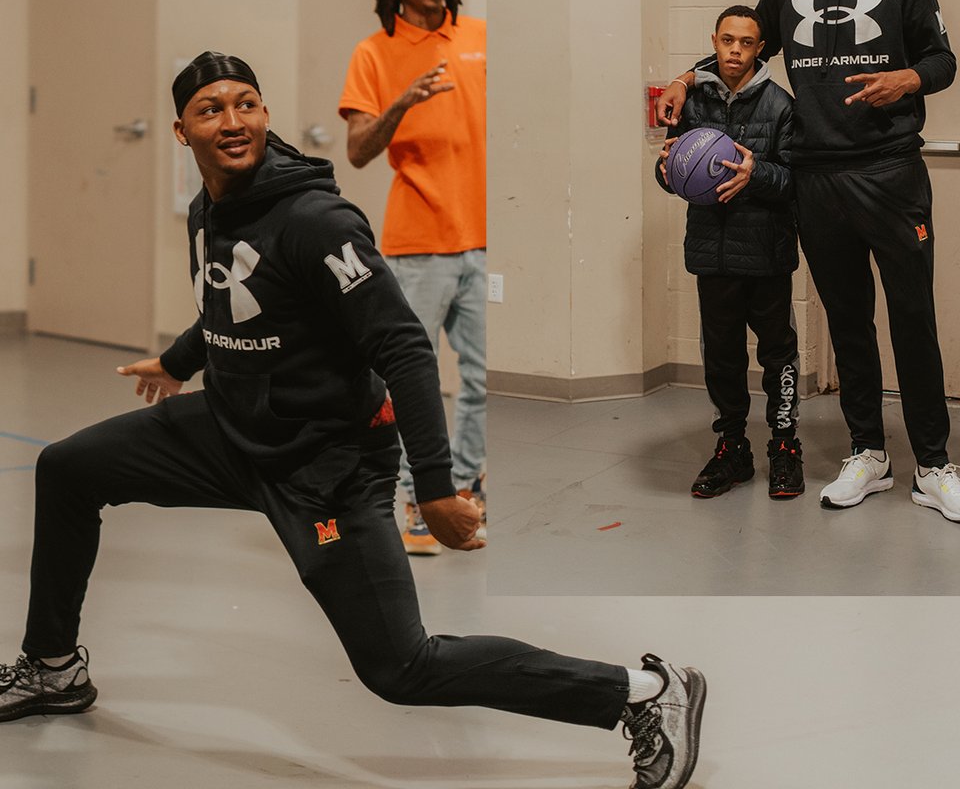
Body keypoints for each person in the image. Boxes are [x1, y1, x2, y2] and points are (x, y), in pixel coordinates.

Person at [0, 51, 706, 789]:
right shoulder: (213, 204)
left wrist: (434, 486)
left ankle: (644, 693)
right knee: (68, 468)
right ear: (182, 131)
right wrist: (179, 361)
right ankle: (54, 668)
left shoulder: (315, 220)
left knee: (400, 666)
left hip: (326, 463)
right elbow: (232, 297)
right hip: (234, 429)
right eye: (211, 110)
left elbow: (402, 346)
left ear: (266, 114)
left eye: (247, 104)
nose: (233, 122)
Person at [657, 0, 959, 522]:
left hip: (890, 173)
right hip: (817, 180)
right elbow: (745, 50)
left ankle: (934, 464)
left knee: (911, 317)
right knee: (848, 321)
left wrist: (907, 79)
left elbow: (943, 61)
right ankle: (868, 453)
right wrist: (684, 77)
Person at [338, 0, 486, 556]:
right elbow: (358, 150)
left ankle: (463, 492)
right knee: (410, 384)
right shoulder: (374, 52)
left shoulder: (480, 37)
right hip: (417, 243)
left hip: (484, 241)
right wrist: (400, 105)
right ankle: (414, 503)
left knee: (483, 381)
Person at [656, 6, 802, 499]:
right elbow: (674, 174)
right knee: (721, 356)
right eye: (727, 40)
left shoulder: (781, 106)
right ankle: (732, 448)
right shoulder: (691, 101)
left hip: (766, 253)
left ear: (760, 48)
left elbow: (794, 182)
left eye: (746, 42)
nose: (735, 50)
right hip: (711, 253)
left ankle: (785, 446)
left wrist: (755, 174)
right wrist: (666, 171)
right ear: (714, 41)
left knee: (778, 353)